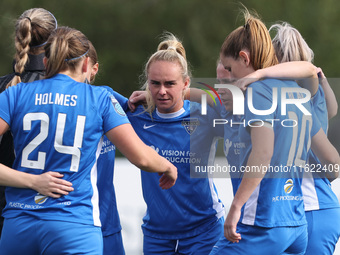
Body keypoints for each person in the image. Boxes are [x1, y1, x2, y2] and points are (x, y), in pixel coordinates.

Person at [0, 26, 177, 255]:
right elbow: (141, 157)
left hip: (18, 226)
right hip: (74, 225)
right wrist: (168, 167)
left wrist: (33, 181)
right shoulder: (99, 98)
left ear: (46, 62)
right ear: (86, 65)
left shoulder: (14, 93)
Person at [210, 9, 340, 255]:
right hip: (302, 215)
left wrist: (236, 205)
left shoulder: (264, 93)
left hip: (295, 211)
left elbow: (263, 153)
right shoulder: (301, 95)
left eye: (229, 69)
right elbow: (332, 154)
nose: (228, 78)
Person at [125, 33, 225, 254]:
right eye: (155, 84)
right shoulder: (135, 116)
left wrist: (185, 94)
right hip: (157, 235)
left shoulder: (205, 115)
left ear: (186, 83)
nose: (162, 91)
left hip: (205, 230)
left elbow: (231, 102)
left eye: (170, 84)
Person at [269, 22, 340, 255]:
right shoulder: (315, 93)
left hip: (312, 207)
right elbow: (332, 110)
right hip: (299, 210)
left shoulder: (296, 95)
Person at [0, 7, 59, 236]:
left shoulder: (7, 87)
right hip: (60, 213)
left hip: (9, 213)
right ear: (57, 41)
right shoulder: (75, 92)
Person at [87, 42, 126, 255]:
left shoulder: (106, 96)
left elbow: (140, 112)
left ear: (95, 69)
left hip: (108, 223)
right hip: (78, 223)